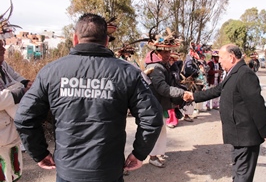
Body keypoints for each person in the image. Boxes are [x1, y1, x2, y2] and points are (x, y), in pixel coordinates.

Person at [14, 13, 163, 182]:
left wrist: (39, 153)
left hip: (68, 172)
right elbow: (152, 118)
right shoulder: (128, 73)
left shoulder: (51, 72)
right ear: (106, 41)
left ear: (75, 39)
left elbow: (24, 117)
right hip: (108, 171)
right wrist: (139, 153)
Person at [183, 44, 266, 182]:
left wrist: (263, 131)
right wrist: (194, 96)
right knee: (239, 171)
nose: (219, 61)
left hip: (246, 135)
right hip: (239, 135)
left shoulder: (245, 74)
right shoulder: (233, 72)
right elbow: (217, 90)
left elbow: (257, 105)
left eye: (221, 58)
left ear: (231, 57)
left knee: (243, 175)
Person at [144, 28, 187, 167]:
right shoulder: (156, 68)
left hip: (159, 104)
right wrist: (181, 93)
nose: (168, 54)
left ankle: (156, 154)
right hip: (153, 105)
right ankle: (152, 156)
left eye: (169, 51)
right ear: (157, 52)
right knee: (156, 131)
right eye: (165, 51)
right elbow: (163, 88)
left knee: (161, 130)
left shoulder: (163, 65)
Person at [0, 39, 31, 182]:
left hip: (11, 133)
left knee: (14, 171)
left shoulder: (3, 65)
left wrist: (26, 83)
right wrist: (18, 92)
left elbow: (16, 77)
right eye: (0, 47)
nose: (3, 49)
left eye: (2, 46)